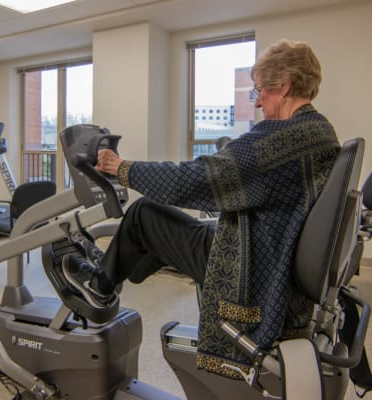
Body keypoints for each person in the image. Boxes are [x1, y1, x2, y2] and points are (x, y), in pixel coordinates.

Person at [62, 39, 341, 376]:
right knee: (172, 228)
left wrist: (122, 168)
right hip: (274, 247)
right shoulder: (321, 131)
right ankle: (120, 270)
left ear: (282, 86)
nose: (258, 104)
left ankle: (99, 286)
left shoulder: (279, 138)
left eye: (259, 92)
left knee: (143, 214)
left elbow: (194, 179)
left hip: (252, 266)